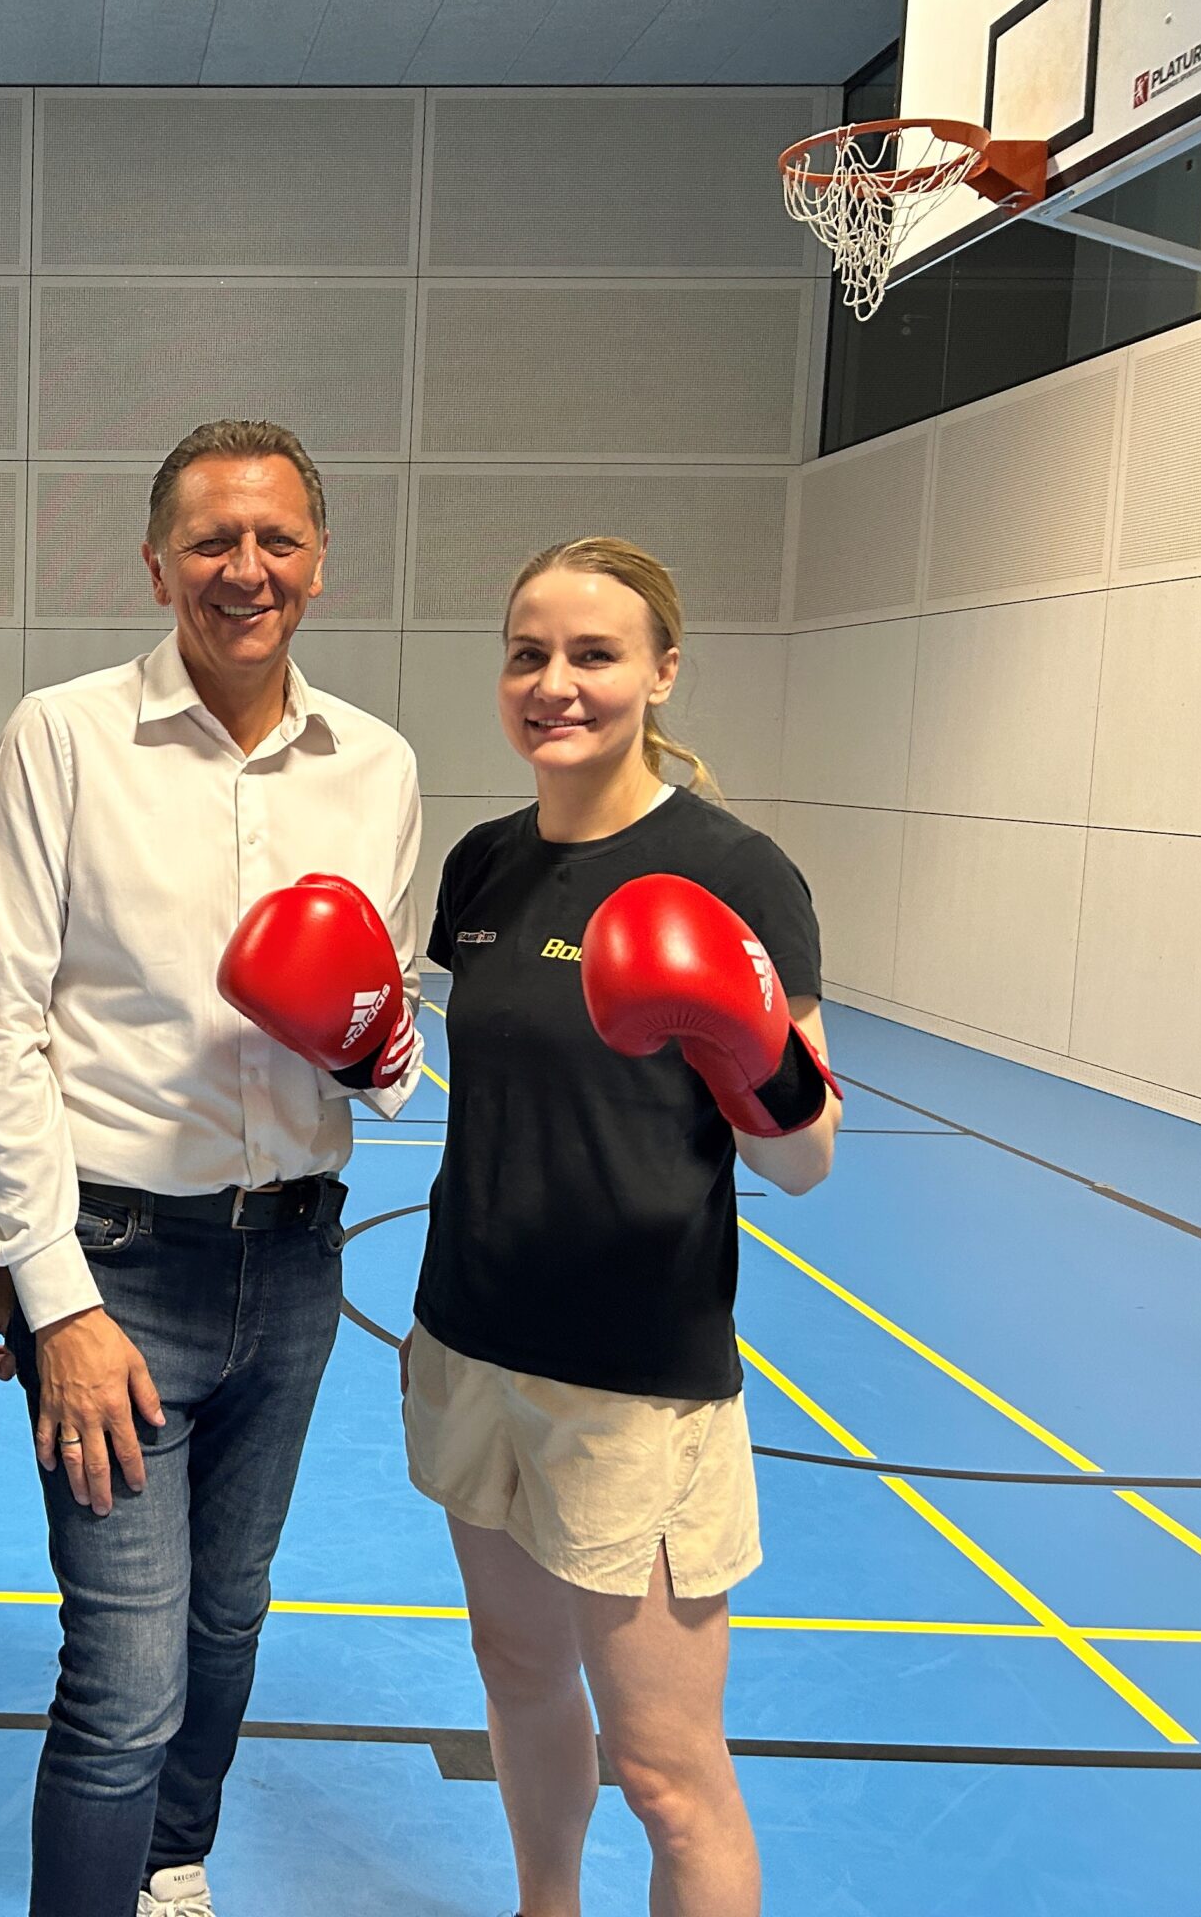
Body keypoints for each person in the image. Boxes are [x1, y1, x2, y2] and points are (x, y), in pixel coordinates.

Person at [0, 419, 427, 1917]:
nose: (246, 570)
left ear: (321, 563)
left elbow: (393, 1051)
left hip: (293, 1260)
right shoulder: (65, 735)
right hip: (117, 1267)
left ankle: (169, 1869)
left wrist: (371, 1037)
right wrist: (54, 1300)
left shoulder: (380, 768)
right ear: (158, 563)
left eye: (277, 540)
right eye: (214, 542)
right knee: (128, 1670)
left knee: (228, 1625)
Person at [406, 536, 842, 1917]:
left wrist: (743, 1036)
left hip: (635, 1381)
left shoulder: (731, 869)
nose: (555, 684)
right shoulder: (482, 867)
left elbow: (809, 1157)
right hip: (469, 1342)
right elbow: (454, 1069)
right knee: (522, 1687)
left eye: (593, 655)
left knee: (666, 1769)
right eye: (528, 653)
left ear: (661, 671)